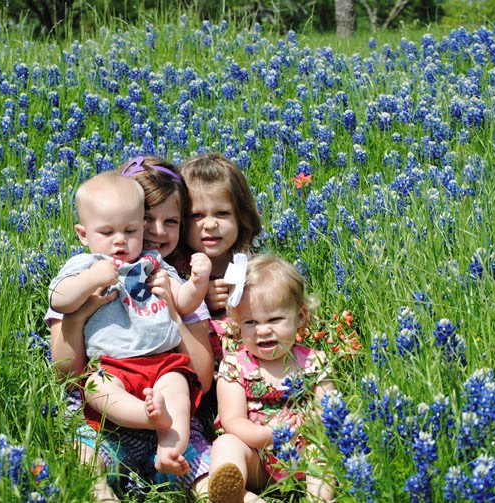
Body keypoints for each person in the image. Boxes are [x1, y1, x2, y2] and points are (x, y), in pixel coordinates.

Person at [47, 156, 216, 501]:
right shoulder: (84, 271)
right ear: (84, 234)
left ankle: (197, 477)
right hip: (105, 419)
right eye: (147, 219)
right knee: (85, 446)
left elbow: (202, 375)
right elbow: (66, 373)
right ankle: (100, 490)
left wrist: (191, 289)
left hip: (165, 395)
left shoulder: (160, 270)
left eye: (170, 221)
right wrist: (84, 305)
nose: (156, 231)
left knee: (181, 400)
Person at [207, 254, 336, 503]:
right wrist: (268, 434)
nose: (263, 330)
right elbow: (233, 420)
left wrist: (310, 425)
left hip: (304, 451)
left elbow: (328, 411)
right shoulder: (235, 365)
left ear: (300, 317)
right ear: (237, 323)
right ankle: (237, 494)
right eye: (251, 322)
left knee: (324, 448)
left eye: (275, 319)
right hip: (258, 461)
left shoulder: (314, 362)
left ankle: (319, 498)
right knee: (226, 444)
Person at [177, 153, 262, 364]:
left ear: (241, 216)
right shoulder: (173, 269)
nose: (210, 225)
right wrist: (198, 298)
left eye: (222, 213)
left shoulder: (254, 266)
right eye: (196, 215)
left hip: (248, 365)